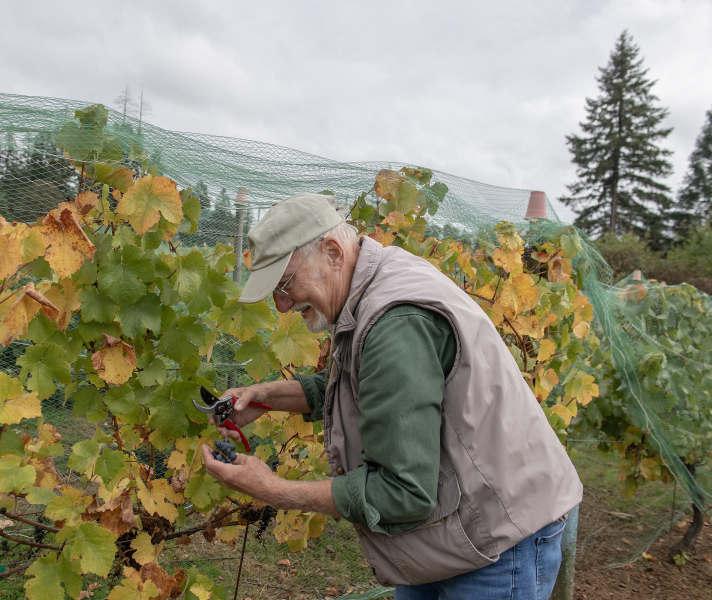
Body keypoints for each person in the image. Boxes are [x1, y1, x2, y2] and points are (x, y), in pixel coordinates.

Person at [202, 192, 583, 599]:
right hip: (447, 532)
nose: (280, 305)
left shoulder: (393, 321)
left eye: (285, 283)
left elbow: (402, 492)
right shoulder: (373, 280)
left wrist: (272, 489)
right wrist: (265, 396)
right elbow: (359, 382)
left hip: (498, 539)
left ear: (332, 252)